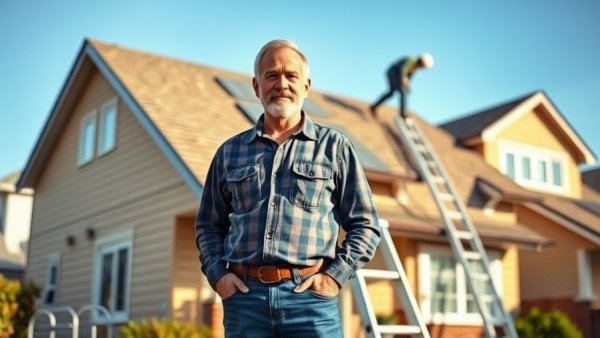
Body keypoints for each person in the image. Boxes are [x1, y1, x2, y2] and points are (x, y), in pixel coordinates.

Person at [195, 39, 381, 337]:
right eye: (272, 75)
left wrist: (333, 278)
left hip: (311, 303)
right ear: (256, 86)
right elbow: (208, 226)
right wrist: (219, 277)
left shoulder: (334, 148)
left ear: (306, 86)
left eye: (291, 75)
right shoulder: (229, 152)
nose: (281, 84)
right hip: (245, 302)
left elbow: (366, 225)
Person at [370, 53, 434, 118]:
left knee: (391, 93)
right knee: (402, 92)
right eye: (423, 66)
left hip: (398, 77)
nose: (422, 68)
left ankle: (374, 106)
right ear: (421, 61)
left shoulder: (415, 69)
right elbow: (402, 68)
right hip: (393, 73)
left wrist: (408, 86)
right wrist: (403, 78)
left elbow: (408, 79)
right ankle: (402, 113)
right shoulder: (410, 60)